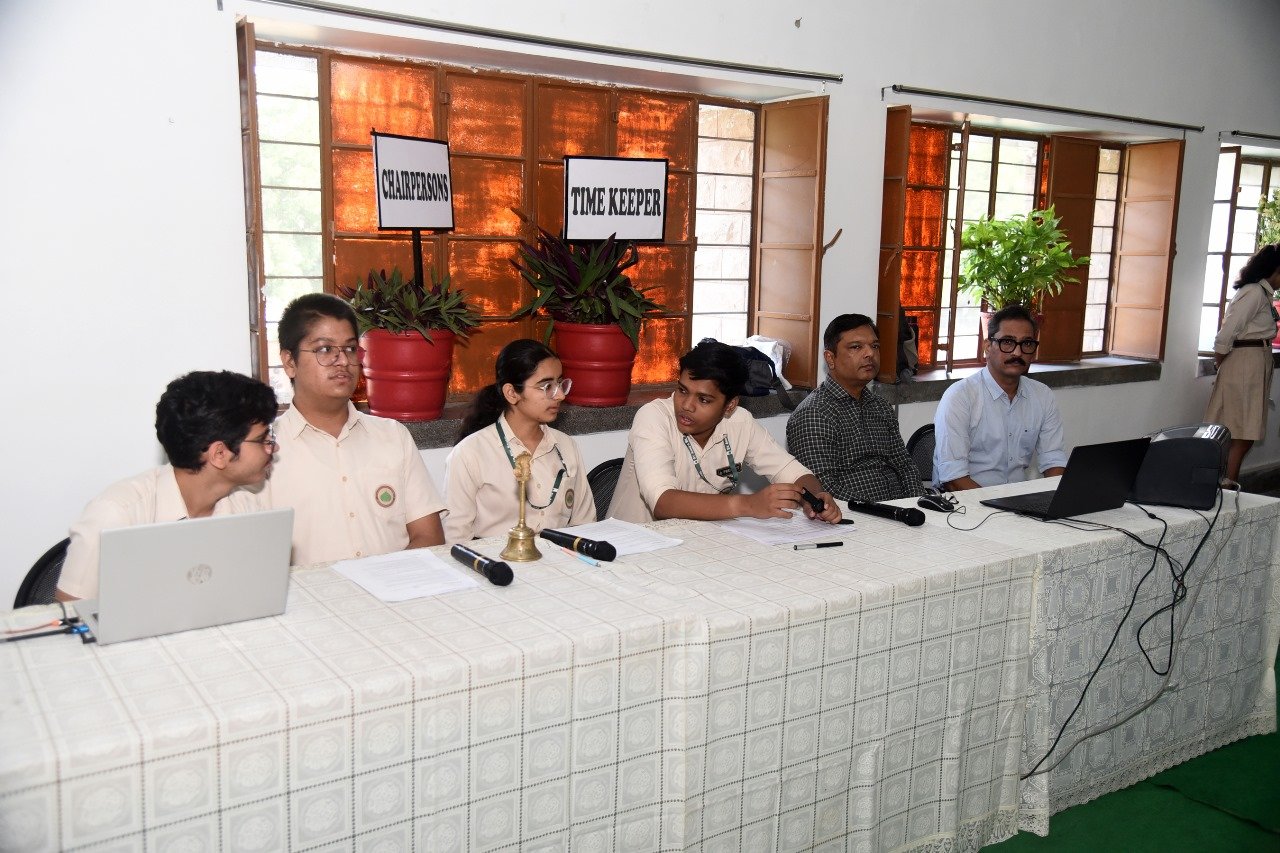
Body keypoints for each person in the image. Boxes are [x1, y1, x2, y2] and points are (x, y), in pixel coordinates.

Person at [56, 371, 278, 601]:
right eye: (263, 439)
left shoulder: (247, 507)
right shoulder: (115, 515)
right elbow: (71, 614)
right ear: (219, 454)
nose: (273, 447)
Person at [261, 293, 446, 565]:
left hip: (393, 588)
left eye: (350, 349)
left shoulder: (392, 436)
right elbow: (253, 561)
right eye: (325, 349)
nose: (343, 361)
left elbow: (429, 536)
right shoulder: (263, 452)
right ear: (289, 362)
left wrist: (384, 581)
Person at [608, 340, 842, 525]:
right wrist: (748, 505)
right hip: (634, 546)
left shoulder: (740, 422)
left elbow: (792, 473)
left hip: (702, 542)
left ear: (730, 405)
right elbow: (663, 502)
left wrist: (816, 497)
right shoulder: (654, 417)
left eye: (703, 399)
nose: (687, 405)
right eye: (682, 390)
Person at [444, 340, 595, 541]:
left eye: (560, 383)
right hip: (496, 558)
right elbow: (455, 539)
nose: (559, 395)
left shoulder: (566, 445)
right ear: (512, 393)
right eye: (547, 386)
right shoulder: (470, 453)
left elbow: (586, 525)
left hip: (560, 557)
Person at [786, 314, 924, 502]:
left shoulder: (880, 406)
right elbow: (824, 488)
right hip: (852, 515)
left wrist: (918, 504)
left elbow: (904, 466)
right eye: (856, 347)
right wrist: (882, 511)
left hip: (900, 509)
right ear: (830, 358)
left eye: (875, 346)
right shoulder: (814, 414)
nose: (870, 354)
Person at [933, 305, 1067, 491]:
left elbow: (1054, 459)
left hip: (1018, 499)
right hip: (965, 501)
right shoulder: (960, 397)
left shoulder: (1042, 395)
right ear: (988, 347)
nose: (1017, 353)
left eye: (1027, 344)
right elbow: (953, 478)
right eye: (1007, 342)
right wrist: (994, 504)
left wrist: (1057, 498)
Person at [1206, 243, 1280, 484]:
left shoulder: (1263, 294)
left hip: (1254, 362)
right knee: (1240, 431)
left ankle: (1226, 482)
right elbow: (1226, 335)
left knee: (1245, 430)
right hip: (1244, 363)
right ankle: (1226, 484)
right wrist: (1221, 364)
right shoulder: (1253, 293)